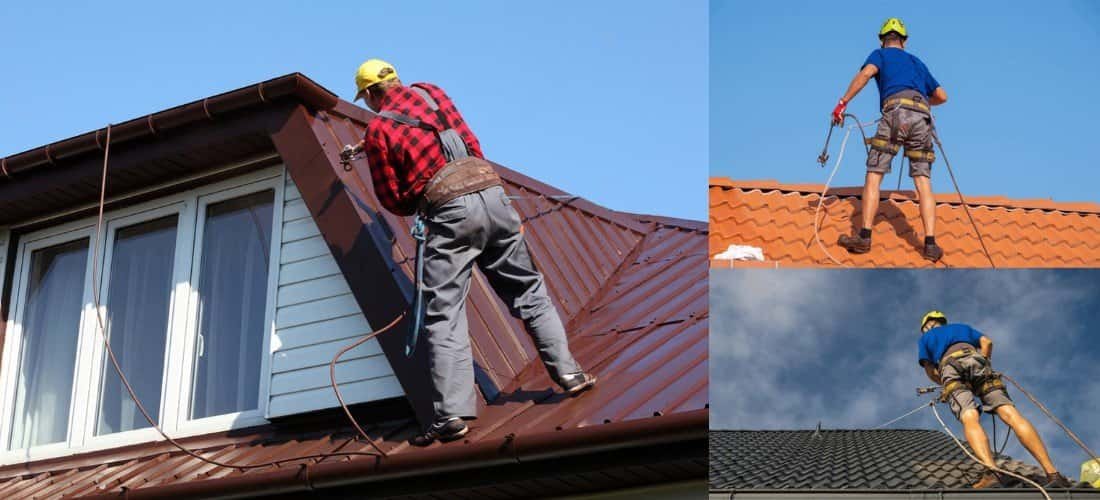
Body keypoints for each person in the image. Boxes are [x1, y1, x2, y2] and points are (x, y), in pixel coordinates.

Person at [341, 59, 597, 447]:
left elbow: (393, 198)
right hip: (493, 196)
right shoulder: (431, 92)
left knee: (443, 314)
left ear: (372, 94)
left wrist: (422, 196)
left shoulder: (378, 129)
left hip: (450, 210)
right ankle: (570, 374)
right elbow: (471, 145)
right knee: (529, 291)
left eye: (369, 99)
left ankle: (452, 416)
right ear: (396, 80)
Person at [832, 18, 947, 262]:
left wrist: (842, 104)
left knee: (875, 173)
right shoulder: (917, 62)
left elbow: (866, 74)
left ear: (882, 40)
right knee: (923, 181)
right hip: (922, 117)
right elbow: (942, 96)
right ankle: (930, 244)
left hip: (895, 113)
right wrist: (922, 103)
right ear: (904, 41)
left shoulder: (880, 55)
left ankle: (864, 237)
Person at [917, 310, 1072, 489]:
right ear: (942, 322)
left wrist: (945, 382)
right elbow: (987, 342)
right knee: (1010, 413)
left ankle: (992, 472)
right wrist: (984, 362)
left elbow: (929, 369)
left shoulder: (926, 338)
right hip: (977, 360)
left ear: (927, 326)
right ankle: (1053, 473)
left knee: (969, 416)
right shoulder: (961, 328)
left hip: (950, 366)